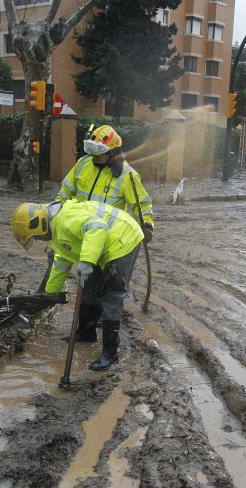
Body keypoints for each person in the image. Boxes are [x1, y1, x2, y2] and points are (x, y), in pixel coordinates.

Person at [41, 124, 154, 341]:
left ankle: (105, 324)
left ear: (112, 154)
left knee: (110, 285)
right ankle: (86, 330)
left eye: (99, 155)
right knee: (88, 283)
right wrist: (55, 214)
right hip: (83, 234)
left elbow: (142, 203)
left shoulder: (127, 176)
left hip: (111, 239)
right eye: (91, 153)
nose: (94, 158)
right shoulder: (84, 164)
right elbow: (65, 191)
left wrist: (147, 224)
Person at [12, 199, 143, 371]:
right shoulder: (56, 232)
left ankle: (110, 354)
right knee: (89, 287)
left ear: (39, 224)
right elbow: (61, 260)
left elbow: (97, 227)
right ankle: (86, 333)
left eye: (35, 236)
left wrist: (87, 261)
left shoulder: (65, 219)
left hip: (123, 238)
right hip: (101, 243)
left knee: (111, 294)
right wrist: (50, 293)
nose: (38, 240)